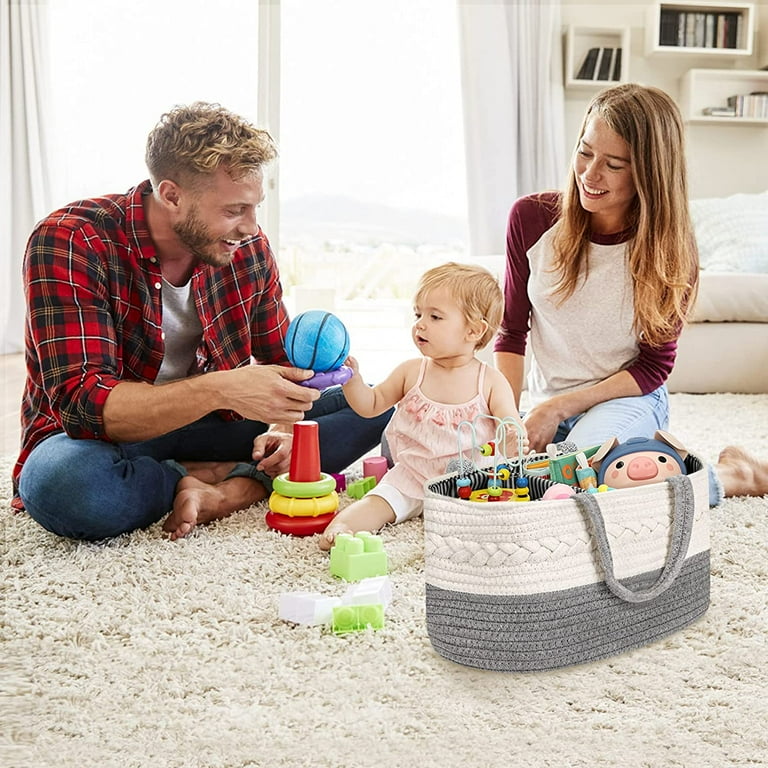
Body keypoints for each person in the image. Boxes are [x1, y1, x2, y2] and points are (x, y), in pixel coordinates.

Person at [13, 101, 391, 541]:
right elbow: (84, 404)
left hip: (216, 424)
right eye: (233, 211)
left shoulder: (247, 248)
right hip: (106, 441)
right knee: (65, 485)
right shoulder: (71, 239)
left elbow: (284, 363)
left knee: (383, 403)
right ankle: (216, 479)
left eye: (255, 208)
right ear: (172, 195)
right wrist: (223, 387)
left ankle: (226, 489)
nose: (251, 227)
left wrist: (284, 426)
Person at [494, 83, 768, 506]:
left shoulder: (670, 250)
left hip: (627, 399)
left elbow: (653, 367)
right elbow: (512, 332)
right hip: (547, 404)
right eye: (585, 152)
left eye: (614, 164)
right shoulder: (531, 219)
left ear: (649, 172)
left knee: (585, 487)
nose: (589, 174)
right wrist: (508, 423)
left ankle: (734, 475)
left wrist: (560, 408)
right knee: (511, 482)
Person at [319, 262, 527, 550]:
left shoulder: (490, 381)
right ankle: (343, 526)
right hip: (412, 476)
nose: (420, 324)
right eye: (418, 314)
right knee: (377, 502)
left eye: (435, 316)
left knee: (498, 518)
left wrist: (515, 438)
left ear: (473, 331)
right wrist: (353, 381)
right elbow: (371, 405)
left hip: (471, 480)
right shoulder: (411, 371)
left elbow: (509, 424)